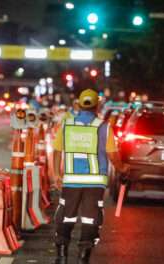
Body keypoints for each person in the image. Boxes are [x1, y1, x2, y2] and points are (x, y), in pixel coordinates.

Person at [52, 89, 129, 264]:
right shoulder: (103, 127)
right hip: (95, 183)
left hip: (71, 181)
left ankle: (61, 257)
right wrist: (123, 168)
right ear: (97, 106)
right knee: (90, 219)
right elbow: (113, 155)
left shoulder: (67, 124)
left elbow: (57, 151)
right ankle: (83, 258)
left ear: (78, 105)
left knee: (66, 216)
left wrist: (56, 174)